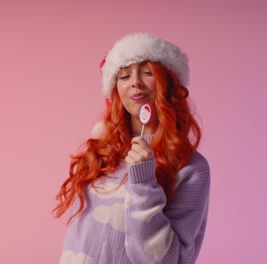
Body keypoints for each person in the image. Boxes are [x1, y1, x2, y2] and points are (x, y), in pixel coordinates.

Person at [54, 32, 210, 264]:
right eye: (124, 75)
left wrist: (144, 181)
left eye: (148, 72)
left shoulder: (190, 167)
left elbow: (169, 260)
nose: (135, 81)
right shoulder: (101, 152)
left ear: (169, 84)